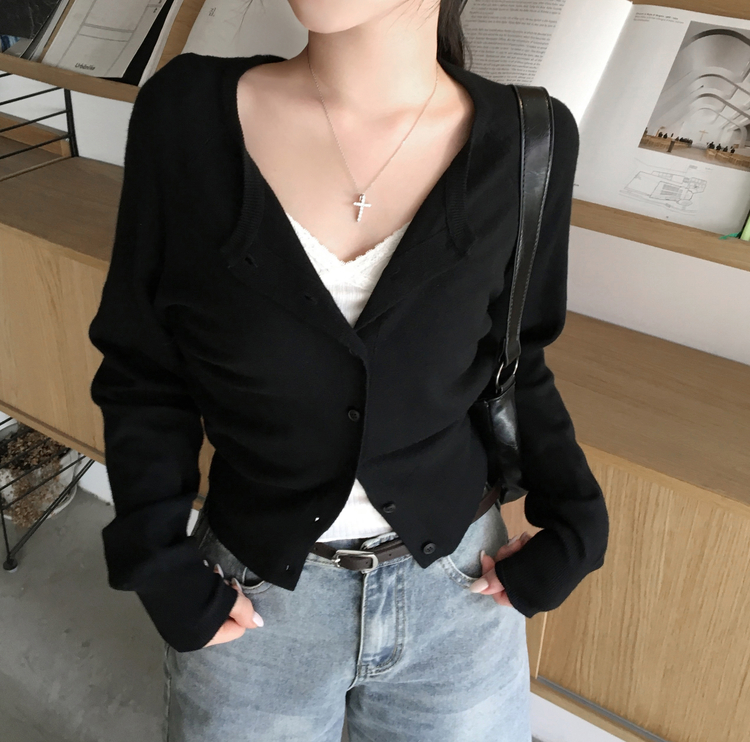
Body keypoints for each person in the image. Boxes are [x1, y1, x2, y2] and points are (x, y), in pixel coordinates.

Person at [88, 0, 609, 740]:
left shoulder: (533, 137)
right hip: (254, 597)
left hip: (460, 597)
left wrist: (578, 518)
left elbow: (516, 360)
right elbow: (144, 366)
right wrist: (153, 557)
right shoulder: (185, 114)